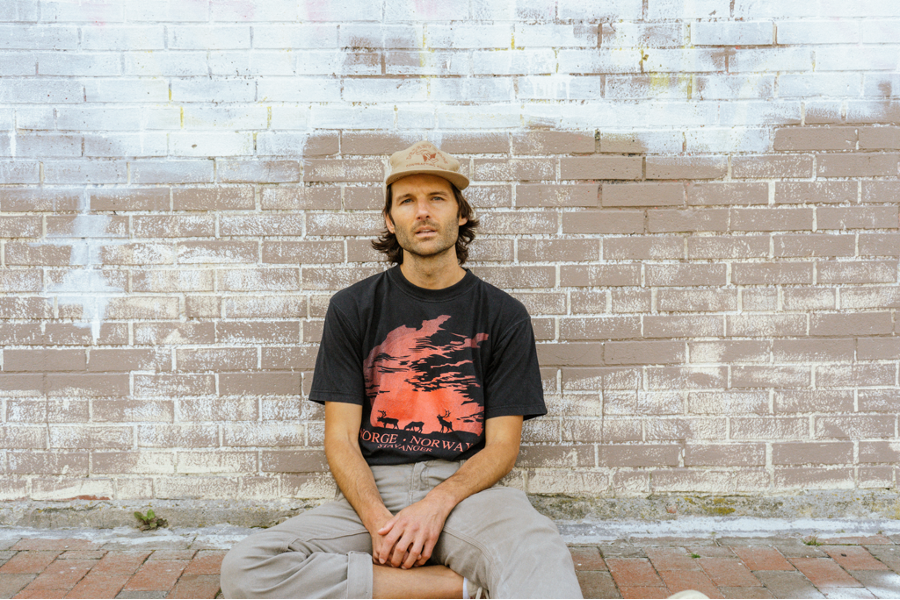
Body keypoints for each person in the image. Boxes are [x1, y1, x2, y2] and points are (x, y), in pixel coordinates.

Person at [220, 141, 583, 599]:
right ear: (390, 220)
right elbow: (340, 438)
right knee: (248, 569)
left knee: (538, 552)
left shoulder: (503, 314)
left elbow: (502, 447)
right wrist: (378, 522)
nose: (423, 212)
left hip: (466, 493)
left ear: (461, 214)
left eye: (437, 198)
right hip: (375, 491)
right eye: (407, 200)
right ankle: (462, 586)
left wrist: (437, 503)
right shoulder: (352, 308)